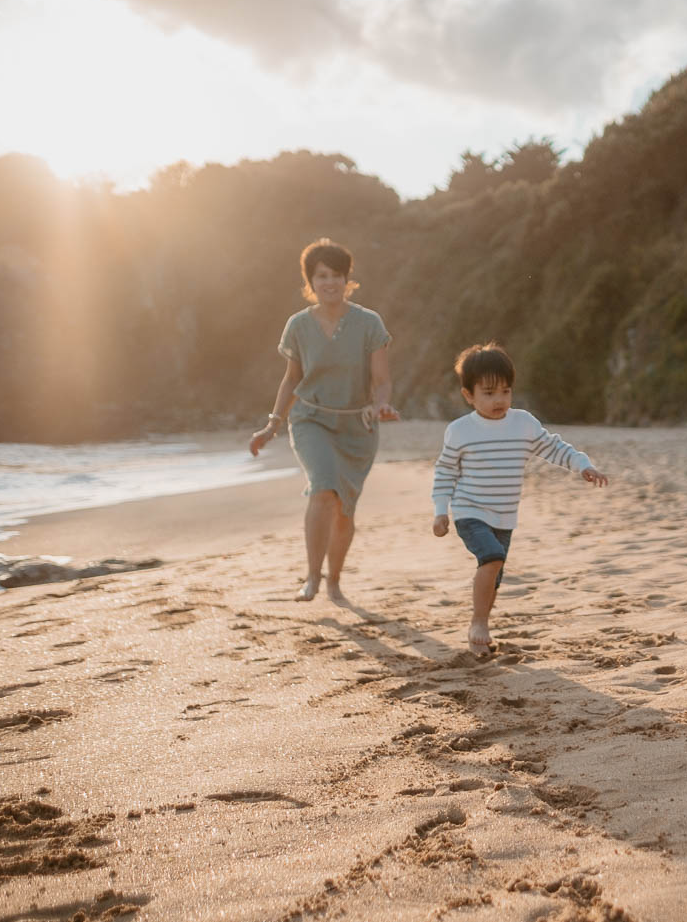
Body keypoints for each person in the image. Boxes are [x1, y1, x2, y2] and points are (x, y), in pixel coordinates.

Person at [431, 344, 609, 656]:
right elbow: (445, 471)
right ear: (468, 395)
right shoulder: (459, 431)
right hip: (469, 510)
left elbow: (555, 448)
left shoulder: (523, 423)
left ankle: (478, 637)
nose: (498, 400)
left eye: (505, 391)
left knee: (494, 575)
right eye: (488, 393)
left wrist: (583, 465)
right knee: (491, 557)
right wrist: (440, 510)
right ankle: (478, 623)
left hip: (504, 516)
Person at [249, 239, 398, 605]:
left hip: (357, 428)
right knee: (324, 488)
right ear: (310, 281)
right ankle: (312, 578)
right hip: (310, 419)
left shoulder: (368, 323)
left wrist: (382, 405)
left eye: (337, 275)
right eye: (322, 276)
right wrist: (273, 423)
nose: (330, 282)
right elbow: (291, 379)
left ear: (348, 279)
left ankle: (334, 580)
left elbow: (381, 379)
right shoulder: (298, 326)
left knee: (345, 508)